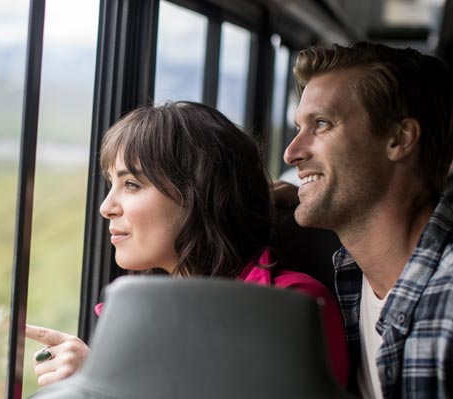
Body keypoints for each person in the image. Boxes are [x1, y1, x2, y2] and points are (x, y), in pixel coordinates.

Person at [26, 101, 349, 389]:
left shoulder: (292, 306)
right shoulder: (141, 314)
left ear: (198, 195)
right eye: (112, 185)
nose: (106, 206)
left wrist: (106, 383)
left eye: (132, 185)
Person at [283, 42, 453, 398]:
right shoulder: (352, 276)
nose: (291, 152)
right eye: (298, 127)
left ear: (399, 139)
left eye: (321, 124)